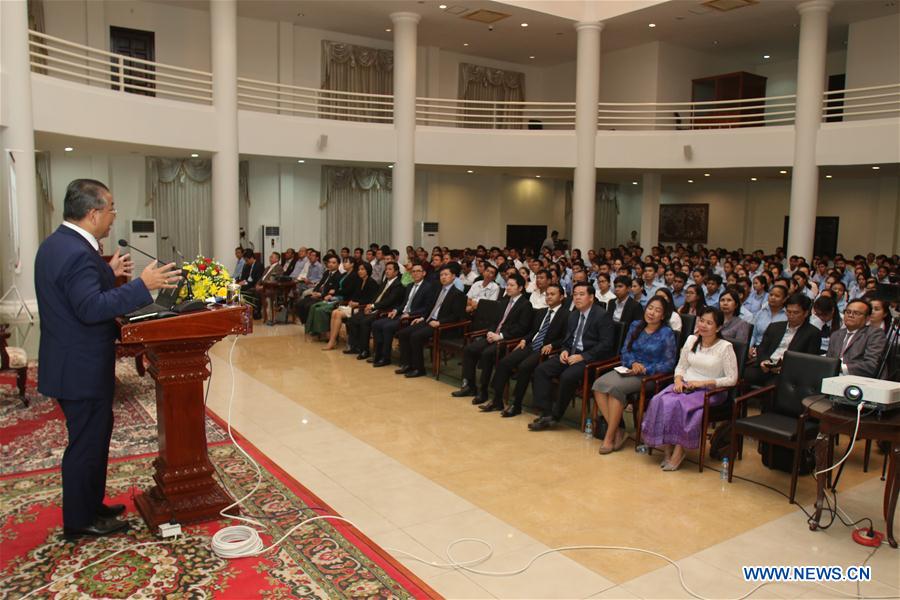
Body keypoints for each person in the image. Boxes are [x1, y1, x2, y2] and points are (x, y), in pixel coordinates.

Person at [35, 179, 181, 538]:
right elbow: (89, 308)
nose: (115, 216)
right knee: (86, 444)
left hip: (72, 361)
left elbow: (77, 291)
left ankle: (89, 506)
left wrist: (108, 273)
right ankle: (80, 522)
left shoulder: (60, 244)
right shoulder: (75, 253)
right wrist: (141, 285)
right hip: (79, 368)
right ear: (93, 212)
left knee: (93, 438)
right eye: (111, 208)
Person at [640, 307, 738, 471]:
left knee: (682, 406)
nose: (703, 325)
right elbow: (681, 366)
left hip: (710, 391)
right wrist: (678, 380)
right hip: (685, 385)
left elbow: (732, 379)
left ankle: (679, 452)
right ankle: (667, 451)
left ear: (719, 328)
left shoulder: (725, 347)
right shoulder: (692, 339)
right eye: (701, 321)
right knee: (660, 400)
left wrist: (703, 384)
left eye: (709, 323)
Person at [592, 296, 677, 454]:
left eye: (657, 310)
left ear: (663, 315)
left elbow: (669, 364)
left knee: (615, 391)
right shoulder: (635, 325)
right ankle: (617, 429)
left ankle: (609, 438)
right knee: (599, 385)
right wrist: (632, 364)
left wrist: (645, 368)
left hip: (649, 377)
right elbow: (625, 351)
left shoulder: (667, 334)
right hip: (628, 370)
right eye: (650, 308)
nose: (652, 313)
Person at [529, 282, 616, 431]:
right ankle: (546, 412)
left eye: (581, 294)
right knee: (541, 370)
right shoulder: (574, 315)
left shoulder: (602, 316)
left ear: (591, 298)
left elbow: (606, 345)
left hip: (591, 359)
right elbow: (568, 340)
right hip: (570, 354)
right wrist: (564, 350)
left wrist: (583, 357)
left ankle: (555, 416)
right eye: (575, 294)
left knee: (568, 376)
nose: (577, 298)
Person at [482, 284, 569, 417]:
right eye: (547, 294)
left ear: (561, 297)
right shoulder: (541, 312)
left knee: (524, 367)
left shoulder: (567, 315)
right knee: (505, 362)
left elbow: (565, 338)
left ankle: (516, 405)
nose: (549, 297)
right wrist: (524, 339)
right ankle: (497, 400)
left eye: (553, 294)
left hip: (544, 351)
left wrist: (552, 344)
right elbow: (533, 332)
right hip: (530, 345)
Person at [451, 274, 533, 404]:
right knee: (469, 349)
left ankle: (483, 392)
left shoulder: (526, 305)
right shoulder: (505, 301)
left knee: (486, 354)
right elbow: (495, 321)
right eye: (507, 285)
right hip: (493, 336)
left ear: (521, 288)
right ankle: (469, 386)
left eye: (512, 285)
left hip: (507, 341)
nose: (508, 287)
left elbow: (521, 328)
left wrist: (500, 336)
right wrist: (490, 332)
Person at [395, 266, 467, 378]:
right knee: (404, 333)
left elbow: (457, 316)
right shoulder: (437, 290)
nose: (443, 277)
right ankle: (407, 364)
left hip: (444, 325)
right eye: (441, 275)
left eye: (446, 275)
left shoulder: (458, 294)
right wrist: (423, 317)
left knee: (415, 336)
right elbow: (429, 308)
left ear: (453, 277)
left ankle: (419, 368)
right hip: (429, 320)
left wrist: (440, 322)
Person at [743, 293, 821, 387]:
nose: (791, 315)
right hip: (766, 366)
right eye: (788, 312)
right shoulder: (775, 327)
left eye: (796, 313)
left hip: (788, 372)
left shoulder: (813, 333)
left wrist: (783, 368)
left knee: (773, 385)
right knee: (742, 373)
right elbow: (762, 348)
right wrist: (763, 361)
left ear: (806, 313)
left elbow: (808, 360)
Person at [371, 263, 436, 367]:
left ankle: (386, 357)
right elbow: (404, 304)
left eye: (418, 271)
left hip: (413, 317)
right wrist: (396, 310)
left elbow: (426, 308)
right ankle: (377, 355)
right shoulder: (410, 286)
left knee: (387, 327)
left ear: (424, 273)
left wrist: (409, 314)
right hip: (401, 314)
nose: (415, 273)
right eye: (413, 271)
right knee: (376, 324)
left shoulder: (428, 287)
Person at [345, 261, 405, 358]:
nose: (387, 271)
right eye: (386, 269)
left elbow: (389, 301)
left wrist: (373, 307)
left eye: (390, 269)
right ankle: (355, 346)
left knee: (365, 321)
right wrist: (370, 305)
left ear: (396, 272)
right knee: (353, 319)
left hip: (384, 311)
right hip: (376, 308)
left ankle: (365, 350)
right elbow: (376, 297)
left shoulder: (398, 285)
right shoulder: (385, 282)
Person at [322, 262, 379, 350]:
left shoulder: (372, 283)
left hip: (362, 308)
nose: (360, 271)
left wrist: (357, 303)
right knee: (334, 312)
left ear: (368, 270)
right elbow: (355, 295)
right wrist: (352, 301)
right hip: (353, 306)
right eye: (359, 269)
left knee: (338, 314)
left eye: (362, 269)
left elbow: (371, 300)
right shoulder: (359, 281)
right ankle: (332, 340)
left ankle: (332, 342)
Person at [826, 299, 888, 377]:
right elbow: (828, 361)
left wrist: (840, 368)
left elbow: (871, 365)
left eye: (856, 313)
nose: (851, 315)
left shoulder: (875, 334)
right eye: (848, 312)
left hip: (858, 380)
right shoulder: (836, 335)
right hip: (832, 378)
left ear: (867, 318)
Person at [749, 284, 788, 349]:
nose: (773, 298)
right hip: (756, 347)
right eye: (771, 295)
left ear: (784, 299)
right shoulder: (761, 312)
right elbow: (753, 334)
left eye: (777, 296)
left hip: (775, 350)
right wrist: (749, 348)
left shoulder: (787, 315)